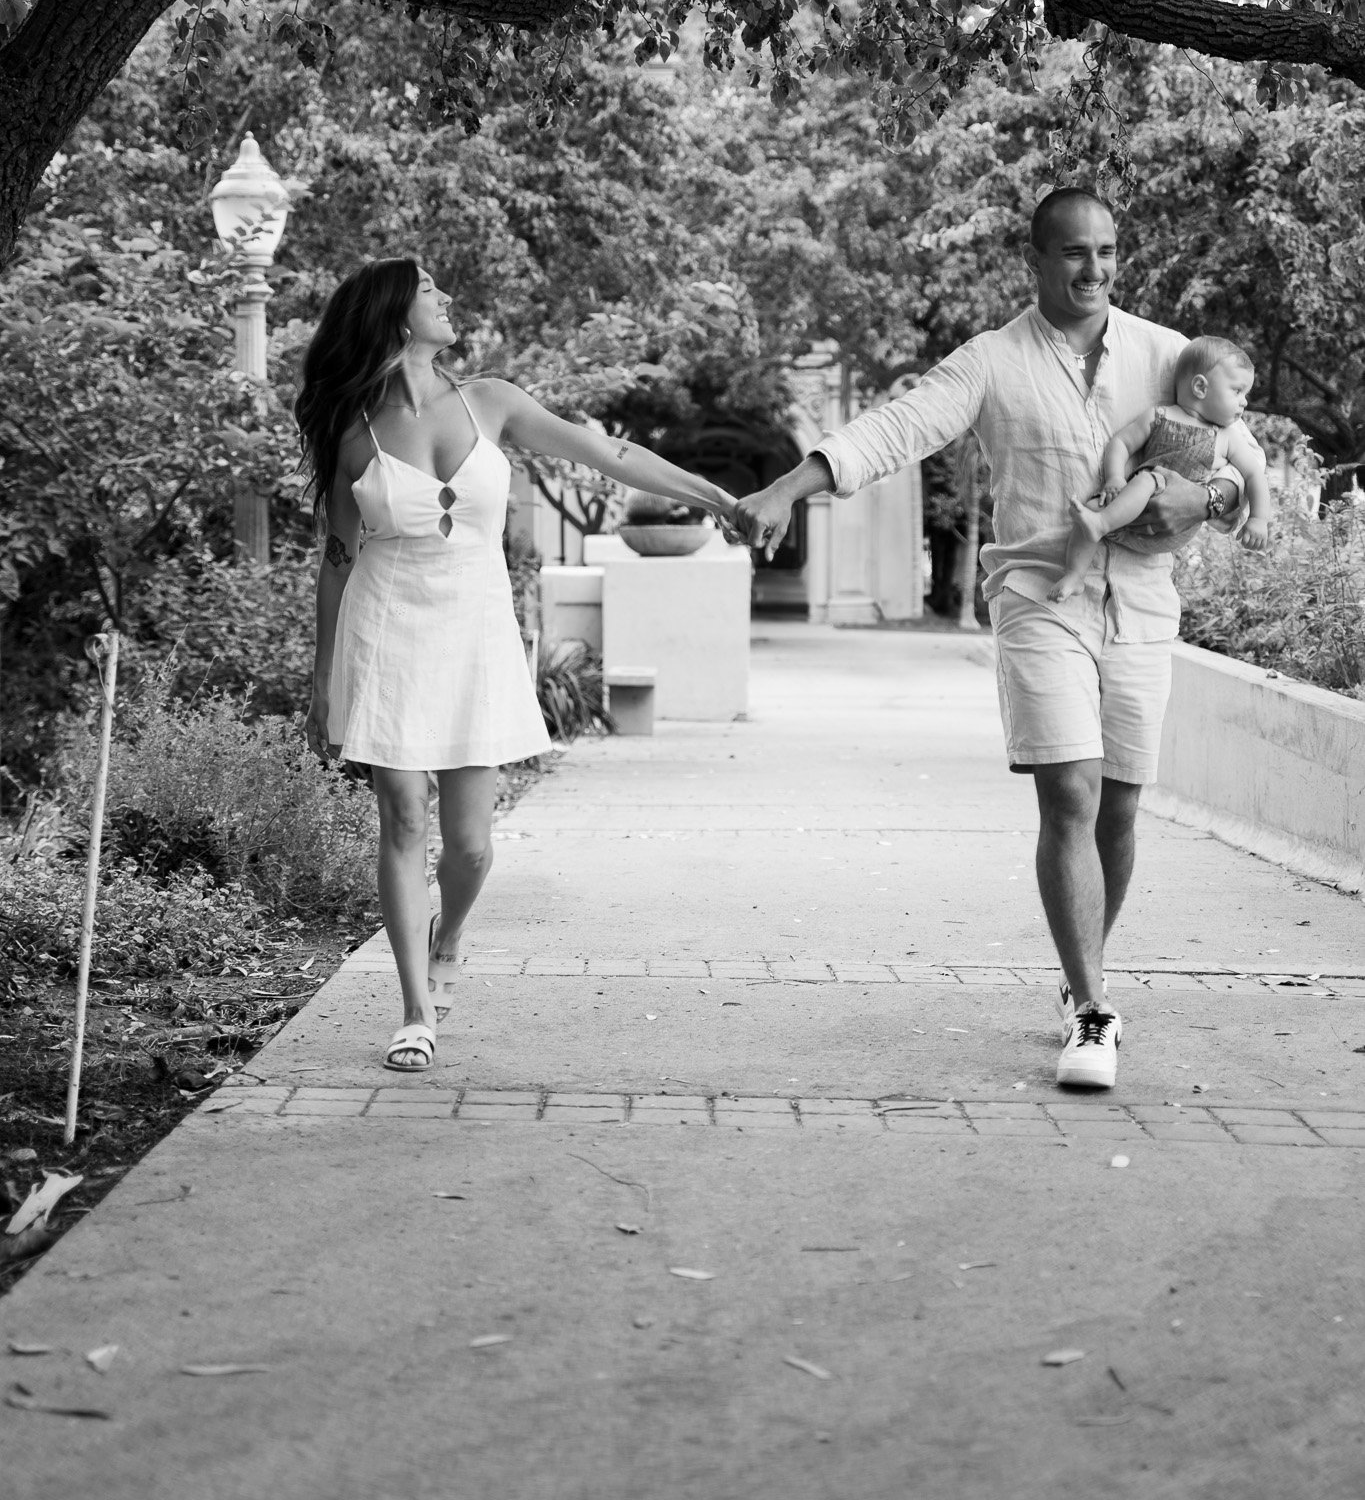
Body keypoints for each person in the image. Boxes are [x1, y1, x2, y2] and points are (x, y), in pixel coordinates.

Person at [732, 188, 1245, 1093]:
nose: (1094, 270)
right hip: (1040, 595)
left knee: (1121, 807)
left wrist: (1201, 500)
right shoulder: (992, 361)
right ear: (1037, 260)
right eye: (1075, 253)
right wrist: (788, 487)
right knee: (1072, 793)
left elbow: (1242, 472)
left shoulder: (1169, 356)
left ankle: (1076, 967)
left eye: (1107, 252)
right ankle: (1092, 1009)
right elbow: (898, 428)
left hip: (1142, 602)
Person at [297, 257, 735, 1073]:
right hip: (385, 628)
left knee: (468, 846)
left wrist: (718, 498)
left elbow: (608, 454)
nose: (448, 300)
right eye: (432, 291)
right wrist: (322, 681)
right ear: (395, 313)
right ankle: (414, 1010)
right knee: (401, 818)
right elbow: (334, 560)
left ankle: (447, 935)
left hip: (473, 631)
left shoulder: (488, 401)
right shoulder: (351, 429)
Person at [1050, 335, 1271, 602]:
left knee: (1149, 479)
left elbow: (1254, 474)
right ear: (1200, 387)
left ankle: (1100, 524)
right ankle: (1075, 575)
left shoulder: (1226, 436)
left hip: (1177, 525)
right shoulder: (1160, 416)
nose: (1245, 402)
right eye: (1237, 391)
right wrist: (1115, 478)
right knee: (1091, 508)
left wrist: (1259, 518)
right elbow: (1120, 443)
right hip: (1130, 511)